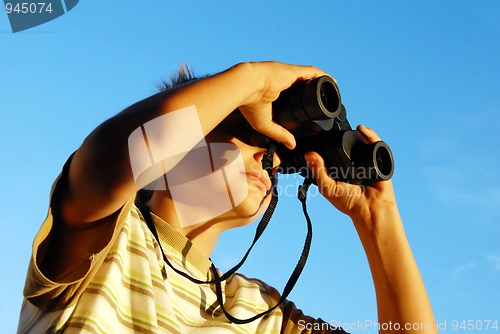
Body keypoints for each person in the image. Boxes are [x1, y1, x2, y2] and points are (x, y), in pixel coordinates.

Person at [18, 61, 437, 333]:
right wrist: (250, 81)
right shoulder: (106, 241)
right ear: (171, 153)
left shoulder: (262, 314)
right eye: (249, 133)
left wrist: (378, 219)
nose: (268, 156)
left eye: (274, 150)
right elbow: (115, 152)